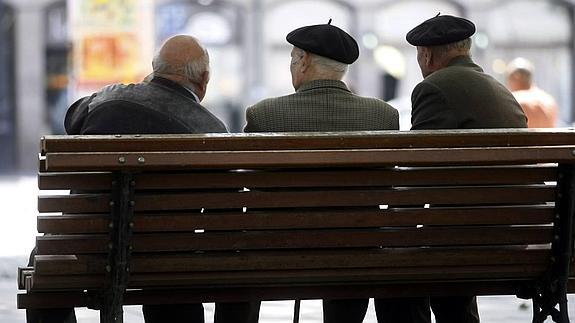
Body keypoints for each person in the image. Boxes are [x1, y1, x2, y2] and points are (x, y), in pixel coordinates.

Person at [27, 35, 257, 323]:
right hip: (168, 256)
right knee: (174, 273)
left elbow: (72, 118)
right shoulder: (209, 128)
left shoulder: (104, 100)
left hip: (87, 245)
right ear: (205, 79)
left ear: (153, 68)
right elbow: (225, 215)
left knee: (43, 262)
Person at [374, 14, 528, 323]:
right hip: (514, 234)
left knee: (393, 268)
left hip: (468, 237)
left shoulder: (434, 87)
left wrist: (389, 219)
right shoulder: (499, 89)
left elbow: (417, 175)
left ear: (427, 54)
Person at [244, 20, 399, 323]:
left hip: (277, 249)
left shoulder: (264, 115)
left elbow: (250, 189)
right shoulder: (383, 115)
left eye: (292, 58)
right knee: (353, 241)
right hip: (357, 248)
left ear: (303, 62)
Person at [506, 57, 559, 128]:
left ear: (517, 77)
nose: (508, 83)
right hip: (551, 139)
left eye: (509, 78)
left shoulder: (514, 101)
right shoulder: (549, 100)